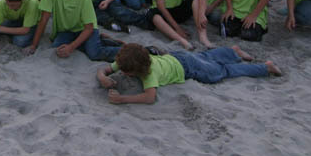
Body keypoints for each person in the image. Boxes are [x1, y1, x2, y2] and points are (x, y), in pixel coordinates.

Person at [97, 43, 281, 105]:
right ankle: (232, 51)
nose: (122, 72)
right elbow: (103, 70)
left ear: (138, 70)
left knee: (223, 71)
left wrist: (123, 99)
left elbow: (150, 97)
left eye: (126, 72)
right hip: (177, 57)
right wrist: (103, 77)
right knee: (205, 56)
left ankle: (265, 67)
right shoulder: (127, 59)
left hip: (188, 69)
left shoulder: (148, 72)